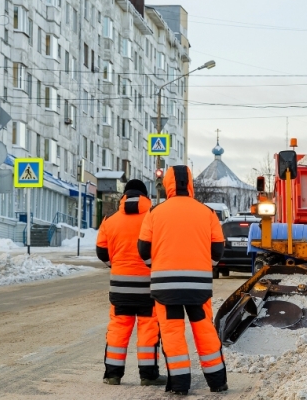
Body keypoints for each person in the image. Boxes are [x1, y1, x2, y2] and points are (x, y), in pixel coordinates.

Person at [138, 166, 227, 395]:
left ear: (167, 184)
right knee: (204, 330)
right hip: (198, 286)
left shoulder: (155, 213)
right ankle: (217, 382)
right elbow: (218, 249)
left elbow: (143, 248)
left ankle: (179, 385)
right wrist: (208, 267)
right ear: (190, 184)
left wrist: (154, 266)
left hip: (165, 287)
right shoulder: (206, 212)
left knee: (172, 334)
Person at [95, 179, 165, 387]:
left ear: (124, 196)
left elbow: (101, 252)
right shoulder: (154, 218)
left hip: (119, 287)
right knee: (148, 330)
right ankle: (148, 375)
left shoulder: (110, 219)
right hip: (148, 288)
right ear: (145, 197)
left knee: (118, 329)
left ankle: (113, 375)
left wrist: (114, 265)